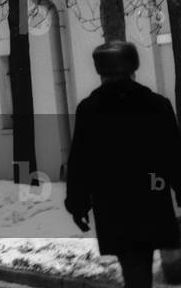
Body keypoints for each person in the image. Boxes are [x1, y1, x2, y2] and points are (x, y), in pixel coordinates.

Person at [66, 40, 181, 288]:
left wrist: (77, 204)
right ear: (133, 67)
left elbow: (80, 163)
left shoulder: (89, 110)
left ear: (101, 71)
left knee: (133, 268)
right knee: (143, 263)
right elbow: (173, 156)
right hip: (151, 202)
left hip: (113, 208)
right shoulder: (157, 105)